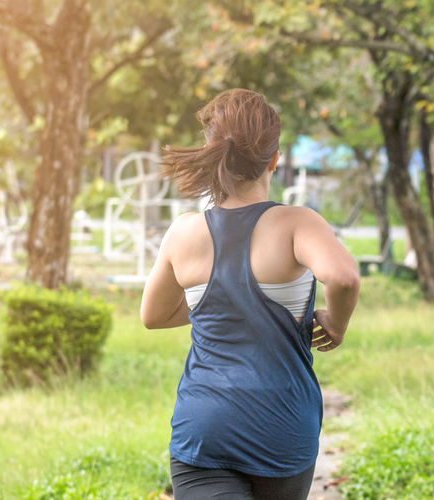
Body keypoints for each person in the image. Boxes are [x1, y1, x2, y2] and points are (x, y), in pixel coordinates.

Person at [139, 89, 360, 500]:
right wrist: (336, 324)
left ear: (212, 154)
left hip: (204, 431)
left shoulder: (184, 232)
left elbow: (152, 315)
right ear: (274, 160)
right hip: (282, 428)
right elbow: (343, 278)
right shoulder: (298, 223)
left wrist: (218, 300)